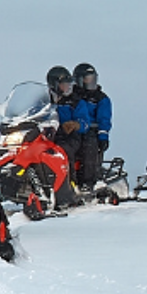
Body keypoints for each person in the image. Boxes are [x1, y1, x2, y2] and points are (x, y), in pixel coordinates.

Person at [47, 66, 86, 207]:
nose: (68, 87)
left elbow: (84, 120)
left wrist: (76, 124)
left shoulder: (75, 101)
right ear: (54, 84)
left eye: (69, 84)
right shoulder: (45, 100)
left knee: (63, 151)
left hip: (69, 136)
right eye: (64, 84)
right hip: (49, 136)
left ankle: (71, 185)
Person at [70, 63, 111, 189]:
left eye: (92, 78)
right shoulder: (71, 95)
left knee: (89, 147)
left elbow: (104, 118)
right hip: (72, 129)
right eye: (87, 79)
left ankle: (88, 181)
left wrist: (103, 136)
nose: (90, 82)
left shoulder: (100, 98)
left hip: (91, 131)